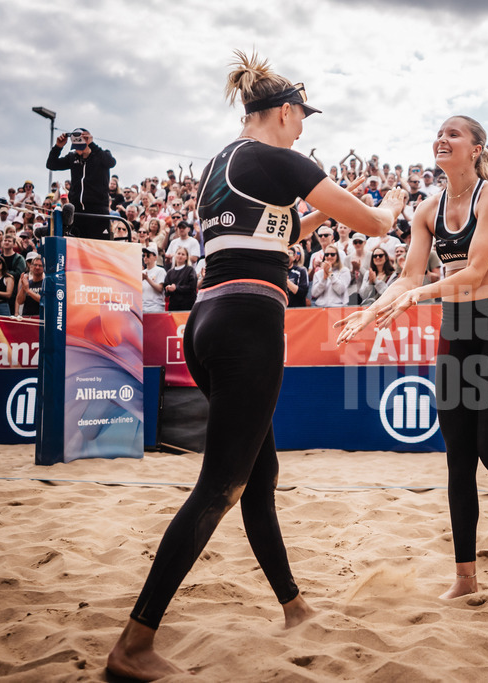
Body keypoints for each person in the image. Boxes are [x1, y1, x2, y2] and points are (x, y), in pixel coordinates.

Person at [107, 51, 407, 681]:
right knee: (220, 487)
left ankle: (295, 608)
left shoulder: (224, 163)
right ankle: (133, 644)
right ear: (285, 111)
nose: (304, 129)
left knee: (258, 477)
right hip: (248, 326)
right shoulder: (279, 157)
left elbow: (284, 232)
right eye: (302, 117)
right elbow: (376, 223)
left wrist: (319, 211)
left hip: (209, 322)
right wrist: (395, 199)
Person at [335, 114, 488, 603]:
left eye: (454, 133)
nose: (442, 138)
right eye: (439, 132)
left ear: (476, 148)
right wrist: (372, 307)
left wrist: (418, 297)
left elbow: (476, 271)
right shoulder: (428, 208)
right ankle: (465, 577)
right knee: (458, 457)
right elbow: (409, 276)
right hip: (458, 328)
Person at [46, 127, 117, 240]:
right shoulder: (72, 157)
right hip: (77, 212)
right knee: (76, 248)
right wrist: (58, 146)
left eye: (81, 147)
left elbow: (111, 162)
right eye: (76, 148)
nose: (79, 151)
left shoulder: (100, 155)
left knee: (99, 248)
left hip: (98, 212)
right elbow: (51, 164)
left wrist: (93, 145)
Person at [163, 246, 198, 311]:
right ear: (175, 255)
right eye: (178, 253)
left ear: (186, 257)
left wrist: (177, 288)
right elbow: (166, 289)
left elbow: (192, 287)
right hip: (174, 306)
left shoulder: (190, 270)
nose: (180, 256)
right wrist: (168, 289)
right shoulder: (170, 272)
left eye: (183, 254)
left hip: (188, 305)